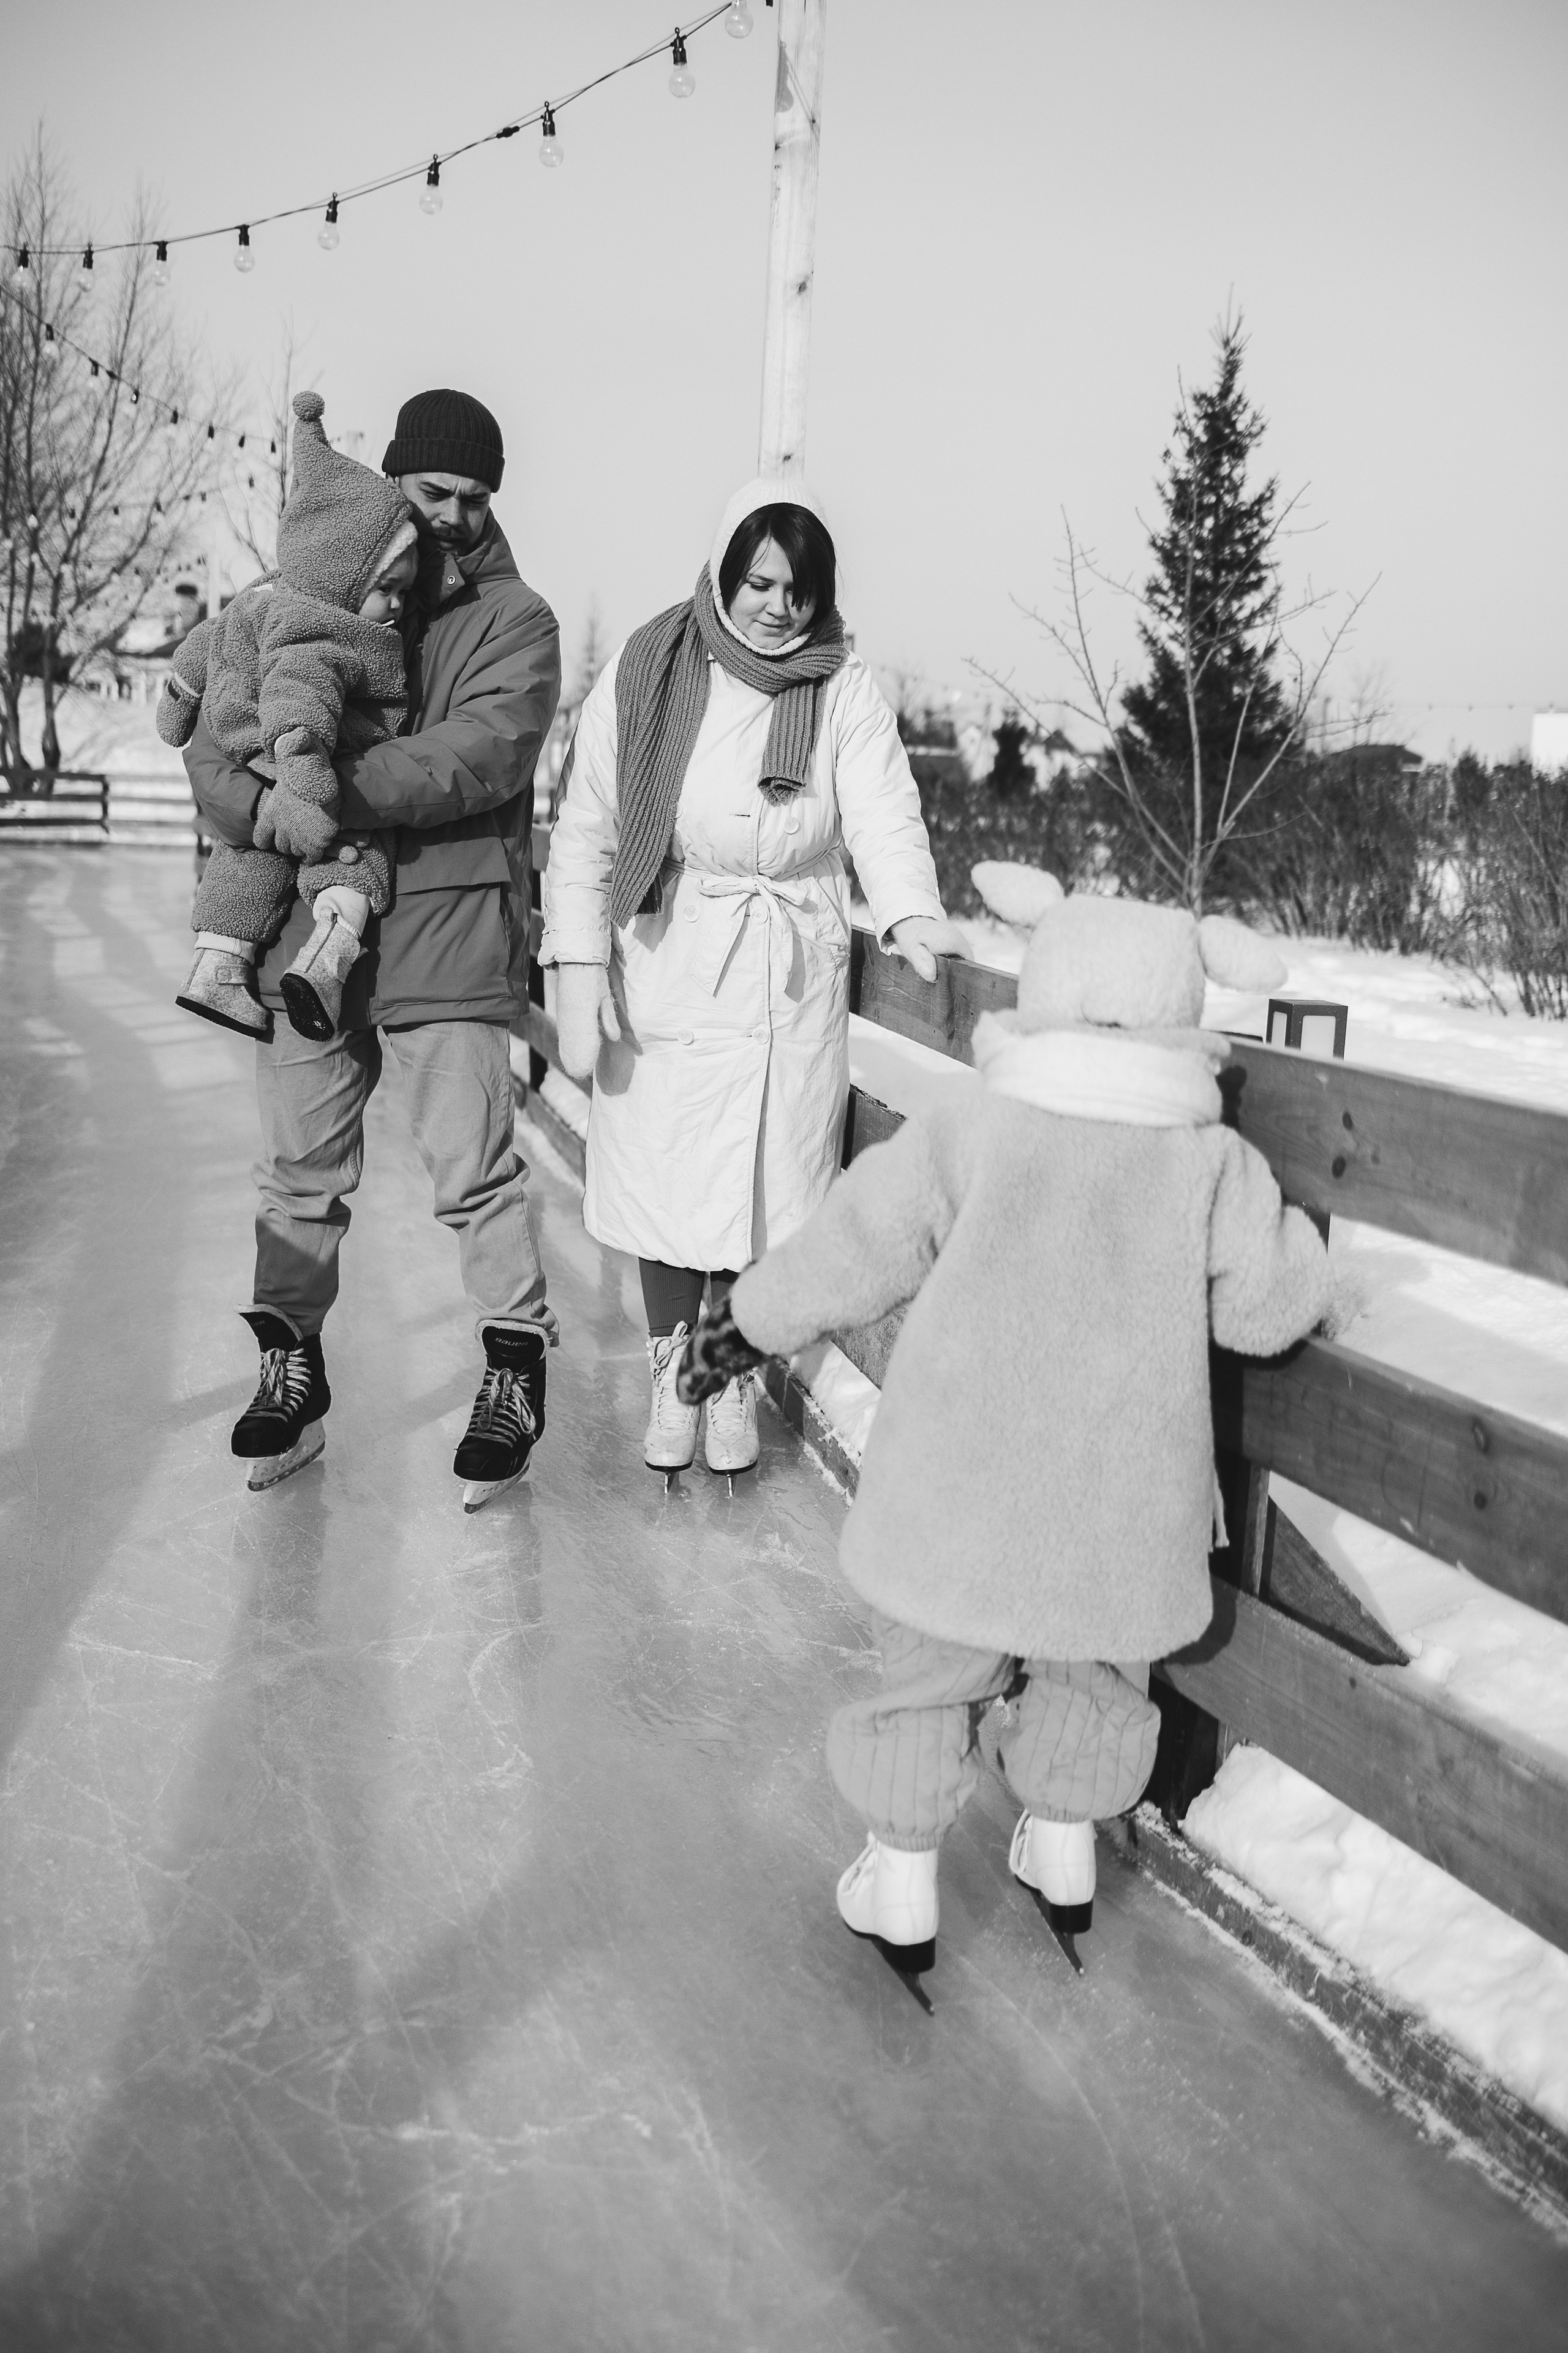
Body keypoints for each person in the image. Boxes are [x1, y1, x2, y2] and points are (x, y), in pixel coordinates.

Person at [679, 874, 1339, 2000]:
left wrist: (748, 1320)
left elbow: (860, 1240)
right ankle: (1067, 1845)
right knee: (1096, 1667)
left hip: (959, 1487)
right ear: (1184, 1008)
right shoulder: (1209, 1161)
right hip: (1122, 1504)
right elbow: (1269, 1306)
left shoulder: (976, 1125)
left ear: (1049, 984)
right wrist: (1308, 1256)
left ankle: (897, 1873)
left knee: (931, 1669)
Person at [540, 477, 966, 1479]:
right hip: (675, 951)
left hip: (787, 969)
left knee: (761, 1196)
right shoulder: (650, 667)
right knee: (668, 1185)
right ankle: (670, 1371)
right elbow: (588, 827)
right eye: (762, 582)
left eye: (799, 588)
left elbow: (881, 809)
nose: (780, 606)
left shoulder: (843, 690)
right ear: (728, 574)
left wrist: (908, 909)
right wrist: (576, 960)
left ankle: (726, 1377)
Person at [183, 388, 562, 1513]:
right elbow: (216, 750)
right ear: (392, 478)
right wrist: (271, 803)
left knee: (471, 1166)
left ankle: (512, 1371)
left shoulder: (516, 621)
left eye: (475, 497)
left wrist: (320, 786)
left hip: (446, 915)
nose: (452, 514)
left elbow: (477, 756)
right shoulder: (310, 594)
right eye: (433, 490)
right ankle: (289, 1375)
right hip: (315, 924)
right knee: (297, 1167)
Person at [160, 393, 419, 1043]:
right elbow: (301, 712)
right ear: (342, 576)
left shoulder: (258, 601)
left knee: (245, 857)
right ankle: (327, 961)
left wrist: (177, 701)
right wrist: (305, 788)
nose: (396, 607)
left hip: (250, 751)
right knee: (355, 860)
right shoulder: (325, 637)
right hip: (304, 765)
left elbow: (200, 649)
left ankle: (216, 968)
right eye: (389, 589)